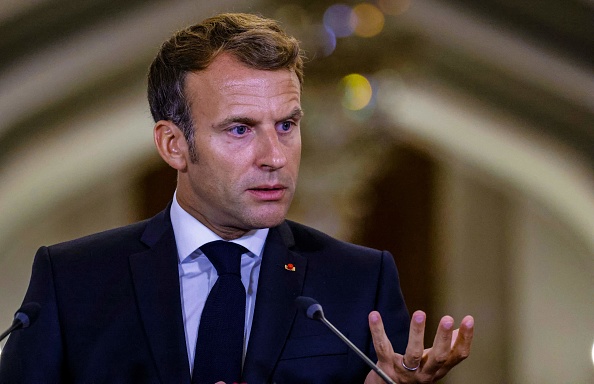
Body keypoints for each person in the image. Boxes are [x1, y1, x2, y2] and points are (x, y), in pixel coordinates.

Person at [0, 13, 473, 383]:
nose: (274, 156)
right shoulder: (73, 281)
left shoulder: (359, 280)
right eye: (240, 129)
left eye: (286, 125)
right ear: (173, 145)